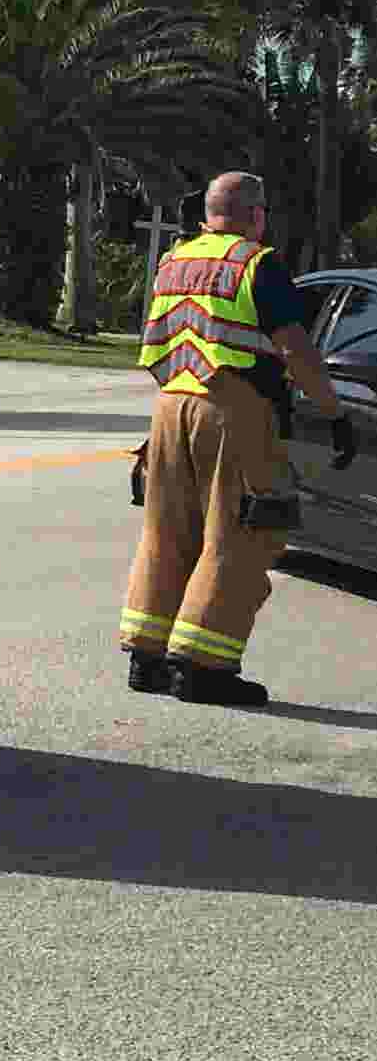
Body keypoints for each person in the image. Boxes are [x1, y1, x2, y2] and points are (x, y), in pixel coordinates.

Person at [123, 170, 352, 708]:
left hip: (169, 408)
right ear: (256, 213)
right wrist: (332, 411)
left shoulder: (173, 261)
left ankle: (147, 657)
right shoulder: (257, 263)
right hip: (233, 411)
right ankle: (204, 668)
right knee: (241, 537)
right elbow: (295, 349)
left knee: (168, 532)